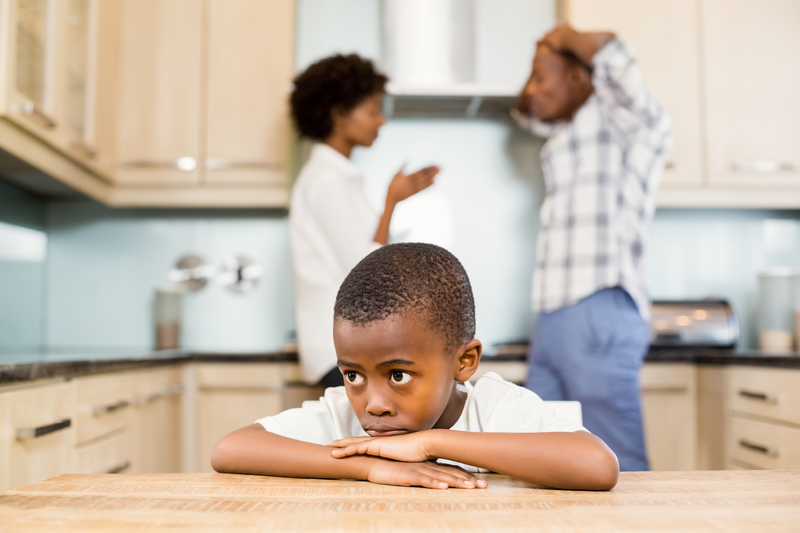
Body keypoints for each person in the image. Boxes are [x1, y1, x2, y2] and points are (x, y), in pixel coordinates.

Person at [212, 243, 619, 490]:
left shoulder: (493, 407)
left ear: (464, 361)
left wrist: (429, 444)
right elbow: (230, 450)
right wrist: (370, 467)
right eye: (353, 375)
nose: (373, 404)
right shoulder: (341, 414)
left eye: (398, 375)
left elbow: (597, 465)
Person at [512, 24, 672, 471]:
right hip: (552, 316)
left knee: (617, 463)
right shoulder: (564, 134)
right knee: (543, 458)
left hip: (598, 305)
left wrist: (565, 39)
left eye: (541, 77)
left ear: (581, 80)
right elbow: (526, 109)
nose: (532, 89)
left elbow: (611, 54)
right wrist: (542, 67)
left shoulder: (621, 125)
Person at [289, 54, 440, 387]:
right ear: (339, 115)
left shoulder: (336, 178)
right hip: (337, 351)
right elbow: (365, 272)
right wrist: (391, 202)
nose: (381, 121)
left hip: (345, 348)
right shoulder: (326, 181)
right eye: (373, 111)